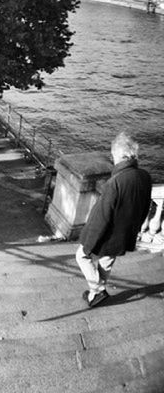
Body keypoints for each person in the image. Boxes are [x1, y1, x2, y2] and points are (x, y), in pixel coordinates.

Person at [76, 132, 152, 308]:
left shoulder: (115, 182)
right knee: (106, 262)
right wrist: (135, 230)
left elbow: (101, 217)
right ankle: (96, 294)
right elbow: (145, 207)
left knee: (81, 256)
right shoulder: (145, 176)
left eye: (114, 155)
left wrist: (88, 242)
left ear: (120, 155)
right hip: (125, 234)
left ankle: (99, 289)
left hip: (109, 233)